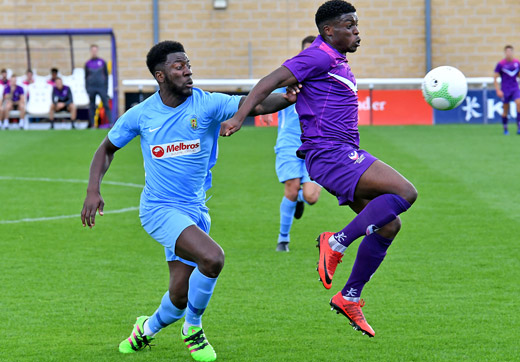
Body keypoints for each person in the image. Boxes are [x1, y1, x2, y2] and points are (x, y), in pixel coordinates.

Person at [80, 40, 297, 361]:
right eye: (178, 67)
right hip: (158, 210)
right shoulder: (141, 115)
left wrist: (287, 99)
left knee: (179, 297)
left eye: (188, 64)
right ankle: (193, 330)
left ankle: (146, 329)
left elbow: (254, 105)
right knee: (213, 258)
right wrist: (92, 190)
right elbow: (106, 149)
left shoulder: (206, 104)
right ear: (160, 76)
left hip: (195, 210)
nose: (187, 71)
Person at [220, 0, 417, 338]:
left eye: (357, 25)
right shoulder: (320, 54)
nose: (357, 32)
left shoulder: (334, 60)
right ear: (329, 30)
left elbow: (300, 90)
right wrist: (240, 117)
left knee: (388, 225)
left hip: (340, 153)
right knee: (405, 192)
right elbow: (270, 80)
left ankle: (349, 296)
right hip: (330, 154)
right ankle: (337, 242)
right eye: (350, 25)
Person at [264, 35, 322, 252]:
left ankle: (300, 198)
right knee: (290, 187)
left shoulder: (325, 79)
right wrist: (265, 109)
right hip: (289, 143)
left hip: (316, 145)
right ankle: (283, 240)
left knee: (311, 197)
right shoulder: (290, 75)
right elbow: (270, 89)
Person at [494, 45, 520, 135]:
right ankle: (505, 129)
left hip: (515, 88)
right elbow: (495, 77)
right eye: (507, 51)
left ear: (512, 52)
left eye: (510, 51)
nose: (509, 53)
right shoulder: (501, 64)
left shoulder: (517, 63)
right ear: (505, 53)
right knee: (505, 109)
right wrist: (498, 90)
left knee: (519, 103)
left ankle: (519, 127)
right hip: (505, 89)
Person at [85, 44, 111, 128]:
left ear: (97, 51)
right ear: (90, 51)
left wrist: (106, 88)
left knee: (106, 105)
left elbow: (106, 76)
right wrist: (87, 89)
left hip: (101, 87)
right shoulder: (87, 63)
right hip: (92, 88)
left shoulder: (102, 62)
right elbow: (85, 77)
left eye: (95, 50)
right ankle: (92, 124)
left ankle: (111, 123)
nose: (94, 52)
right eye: (92, 50)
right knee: (92, 106)